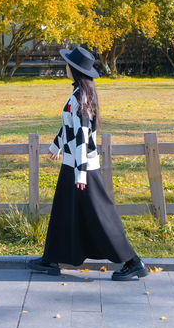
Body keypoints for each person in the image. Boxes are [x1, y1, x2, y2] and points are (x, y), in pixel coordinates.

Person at [29, 46, 148, 280]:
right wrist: (56, 147)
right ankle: (50, 259)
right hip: (73, 166)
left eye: (67, 64)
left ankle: (133, 261)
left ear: (73, 69)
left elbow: (83, 137)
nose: (64, 67)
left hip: (80, 169)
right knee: (64, 212)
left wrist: (80, 174)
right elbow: (69, 128)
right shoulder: (78, 95)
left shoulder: (80, 98)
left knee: (101, 216)